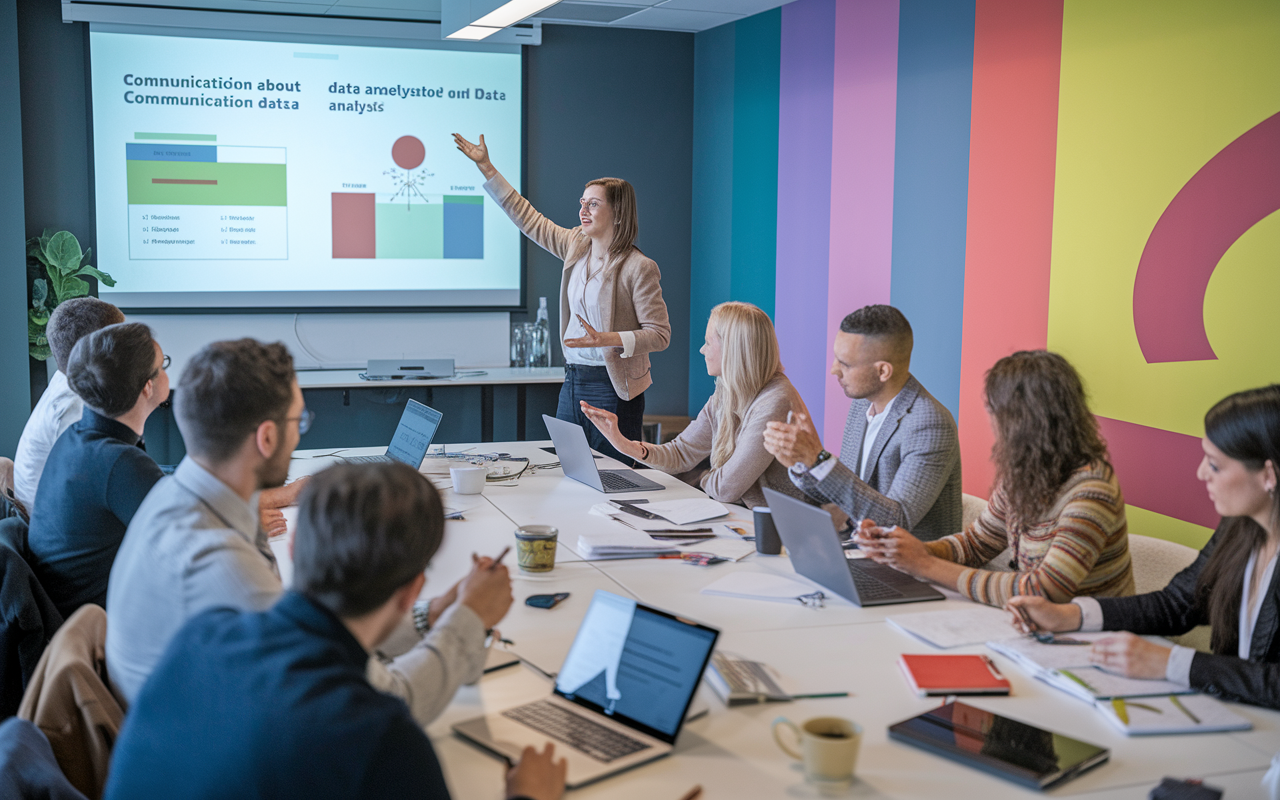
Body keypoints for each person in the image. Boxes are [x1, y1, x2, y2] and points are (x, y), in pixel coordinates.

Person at [106, 339, 513, 726]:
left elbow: (315, 640)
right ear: (266, 437)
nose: (300, 432)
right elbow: (385, 700)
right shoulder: (223, 568)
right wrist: (468, 619)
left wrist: (431, 615)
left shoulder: (176, 500)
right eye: (297, 420)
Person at [103, 462, 567, 800]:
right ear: (412, 590)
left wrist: (438, 614)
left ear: (294, 543)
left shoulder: (199, 639)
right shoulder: (382, 739)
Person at [1008, 385, 1280, 709]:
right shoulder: (1241, 525)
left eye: (1216, 465)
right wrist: (1070, 615)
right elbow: (1177, 604)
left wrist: (1171, 663)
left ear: (1268, 474)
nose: (1201, 472)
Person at [454, 133, 670, 465]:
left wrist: (608, 339)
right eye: (582, 202)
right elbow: (528, 219)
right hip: (572, 379)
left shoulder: (639, 267)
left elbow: (659, 334)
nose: (583, 210)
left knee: (613, 477)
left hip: (612, 385)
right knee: (570, 471)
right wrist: (486, 167)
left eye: (593, 204)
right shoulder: (575, 245)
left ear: (618, 213)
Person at [855, 350, 1134, 607]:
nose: (992, 424)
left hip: (1097, 641)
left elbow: (1046, 590)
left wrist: (924, 565)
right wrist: (906, 550)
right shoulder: (1026, 474)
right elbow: (976, 544)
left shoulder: (1091, 491)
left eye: (994, 413)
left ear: (1021, 423)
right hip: (1039, 627)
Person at [10, 297, 302, 532]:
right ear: (146, 385)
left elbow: (174, 500)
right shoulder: (110, 455)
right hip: (100, 601)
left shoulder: (87, 428)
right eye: (162, 366)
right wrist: (246, 522)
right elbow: (189, 525)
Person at [763, 304, 962, 539]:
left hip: (906, 570)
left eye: (845, 364)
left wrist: (818, 460)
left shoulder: (929, 424)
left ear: (883, 371)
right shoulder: (861, 404)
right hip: (857, 551)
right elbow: (844, 494)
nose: (833, 370)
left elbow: (896, 523)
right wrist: (801, 463)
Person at [580, 301, 805, 509]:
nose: (702, 350)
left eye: (708, 342)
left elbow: (726, 488)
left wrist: (699, 476)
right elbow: (681, 453)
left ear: (733, 349)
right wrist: (623, 443)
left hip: (777, 528)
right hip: (742, 513)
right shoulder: (726, 392)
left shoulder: (775, 401)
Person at [26, 322, 168, 617]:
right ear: (148, 386)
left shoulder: (77, 437)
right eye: (162, 365)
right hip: (105, 635)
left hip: (74, 621)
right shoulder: (120, 464)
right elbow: (196, 534)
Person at [13, 298, 124, 515]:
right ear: (102, 349)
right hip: (58, 533)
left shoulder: (64, 380)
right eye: (122, 340)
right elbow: (95, 492)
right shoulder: (76, 408)